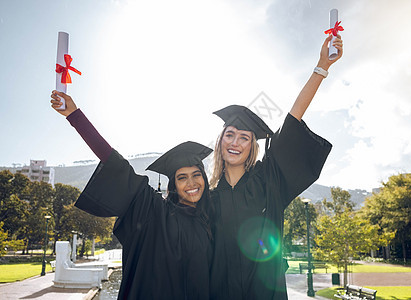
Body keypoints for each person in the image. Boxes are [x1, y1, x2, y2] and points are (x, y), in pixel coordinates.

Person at [209, 34, 343, 299]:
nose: (235, 142)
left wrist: (322, 67)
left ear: (252, 146)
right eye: (230, 134)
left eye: (244, 137)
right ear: (220, 141)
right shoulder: (208, 197)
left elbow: (292, 120)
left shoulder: (269, 180)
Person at [51, 91, 214, 299]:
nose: (191, 183)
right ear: (173, 184)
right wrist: (75, 116)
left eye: (196, 175)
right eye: (182, 178)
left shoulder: (210, 217)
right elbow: (116, 165)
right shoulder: (157, 211)